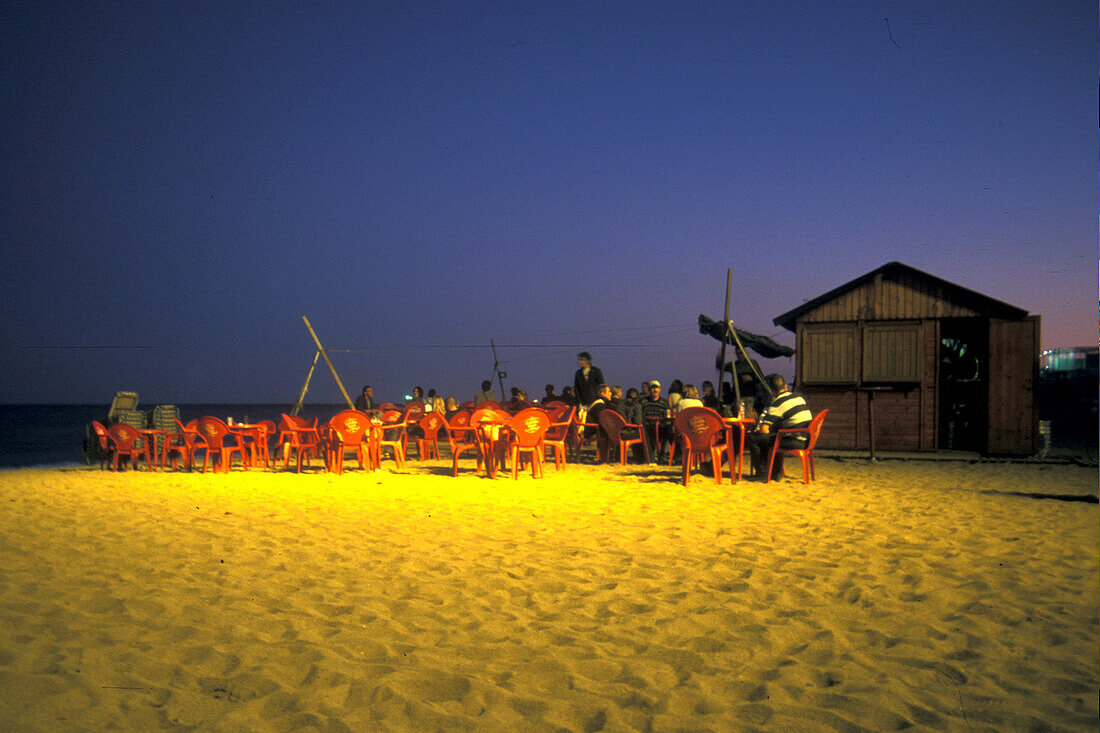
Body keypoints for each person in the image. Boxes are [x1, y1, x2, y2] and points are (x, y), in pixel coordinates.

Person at [748, 374, 812, 481]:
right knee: (772, 438)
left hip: (795, 441)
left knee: (754, 438)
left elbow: (764, 430)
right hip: (807, 439)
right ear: (785, 387)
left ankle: (762, 472)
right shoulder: (799, 398)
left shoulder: (777, 403)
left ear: (772, 391)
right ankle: (775, 472)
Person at [637, 379, 671, 463]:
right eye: (652, 388)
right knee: (644, 432)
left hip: (660, 426)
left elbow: (668, 415)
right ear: (649, 390)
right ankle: (649, 456)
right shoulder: (643, 401)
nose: (654, 390)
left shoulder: (664, 402)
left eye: (656, 388)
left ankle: (663, 454)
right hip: (648, 427)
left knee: (669, 430)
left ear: (660, 390)